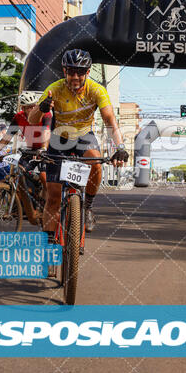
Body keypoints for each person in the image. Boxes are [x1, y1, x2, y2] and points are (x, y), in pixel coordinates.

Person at [28, 48, 129, 238]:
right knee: (53, 197)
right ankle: (49, 242)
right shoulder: (54, 89)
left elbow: (109, 120)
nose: (75, 76)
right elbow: (33, 120)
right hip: (60, 138)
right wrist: (41, 109)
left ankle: (88, 206)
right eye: (71, 71)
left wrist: (120, 147)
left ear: (88, 72)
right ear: (64, 70)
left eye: (80, 72)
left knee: (96, 163)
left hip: (84, 135)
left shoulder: (97, 90)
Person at [0, 91, 52, 190]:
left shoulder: (45, 113)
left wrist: (43, 148)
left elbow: (47, 131)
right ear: (22, 108)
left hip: (47, 149)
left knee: (43, 177)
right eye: (29, 107)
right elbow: (8, 137)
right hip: (31, 149)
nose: (33, 109)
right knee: (19, 175)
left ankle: (47, 201)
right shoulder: (19, 117)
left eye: (34, 106)